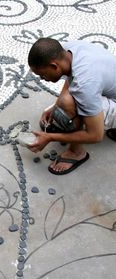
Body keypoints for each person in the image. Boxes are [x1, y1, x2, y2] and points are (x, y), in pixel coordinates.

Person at [27, 37, 116, 175]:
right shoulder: (67, 50)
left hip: (96, 90)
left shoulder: (85, 84)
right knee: (67, 101)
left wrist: (50, 137)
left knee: (71, 103)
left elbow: (96, 135)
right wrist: (56, 106)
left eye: (42, 74)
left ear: (54, 66)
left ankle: (76, 152)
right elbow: (72, 75)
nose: (41, 79)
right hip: (105, 86)